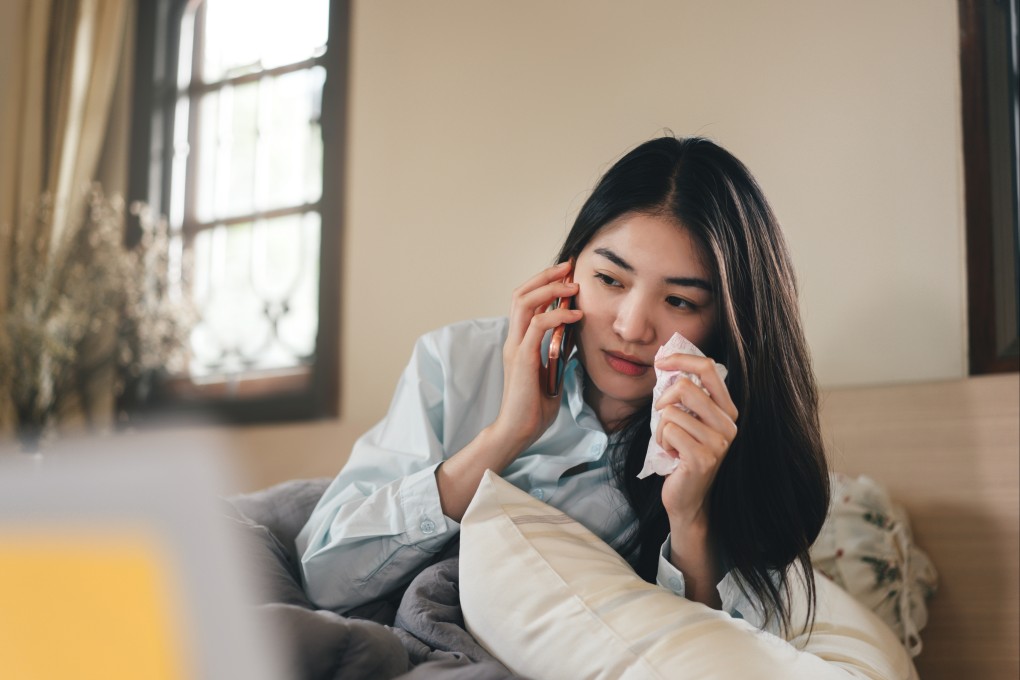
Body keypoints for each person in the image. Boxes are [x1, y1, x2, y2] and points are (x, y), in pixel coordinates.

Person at [297, 135, 830, 635]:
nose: (631, 327)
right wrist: (508, 433)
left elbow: (714, 655)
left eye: (680, 301)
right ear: (567, 271)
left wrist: (689, 516)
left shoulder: (743, 450)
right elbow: (324, 576)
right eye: (610, 280)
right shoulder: (457, 362)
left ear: (727, 324)